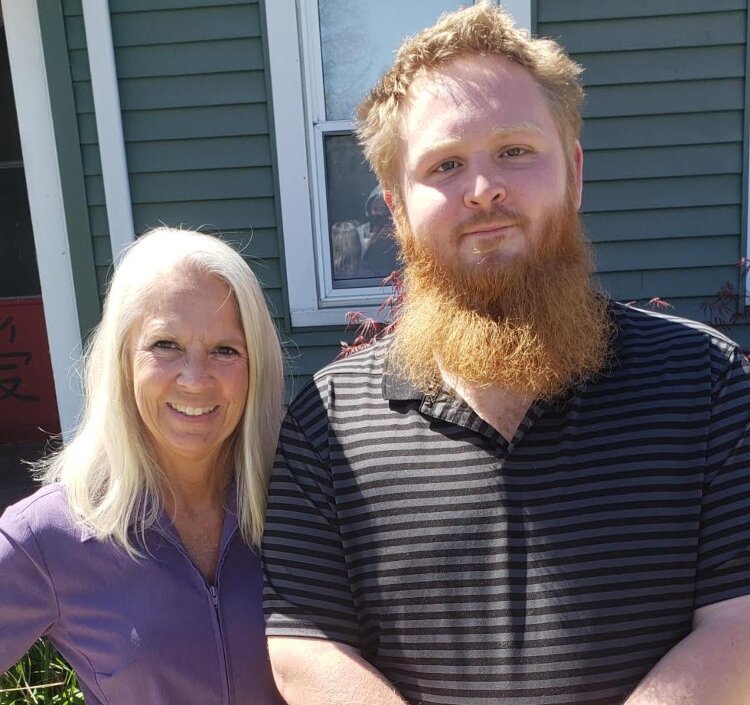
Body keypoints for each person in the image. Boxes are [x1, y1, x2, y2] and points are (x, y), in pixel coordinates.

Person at [261, 3, 750, 705]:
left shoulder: (710, 386)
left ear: (574, 173)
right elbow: (306, 647)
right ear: (397, 209)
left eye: (515, 151)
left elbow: (740, 625)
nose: (483, 188)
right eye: (445, 164)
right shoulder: (326, 424)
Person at [0, 227, 285, 704]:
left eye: (225, 350)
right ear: (122, 360)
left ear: (256, 366)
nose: (196, 379)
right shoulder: (47, 536)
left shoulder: (301, 501)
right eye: (165, 345)